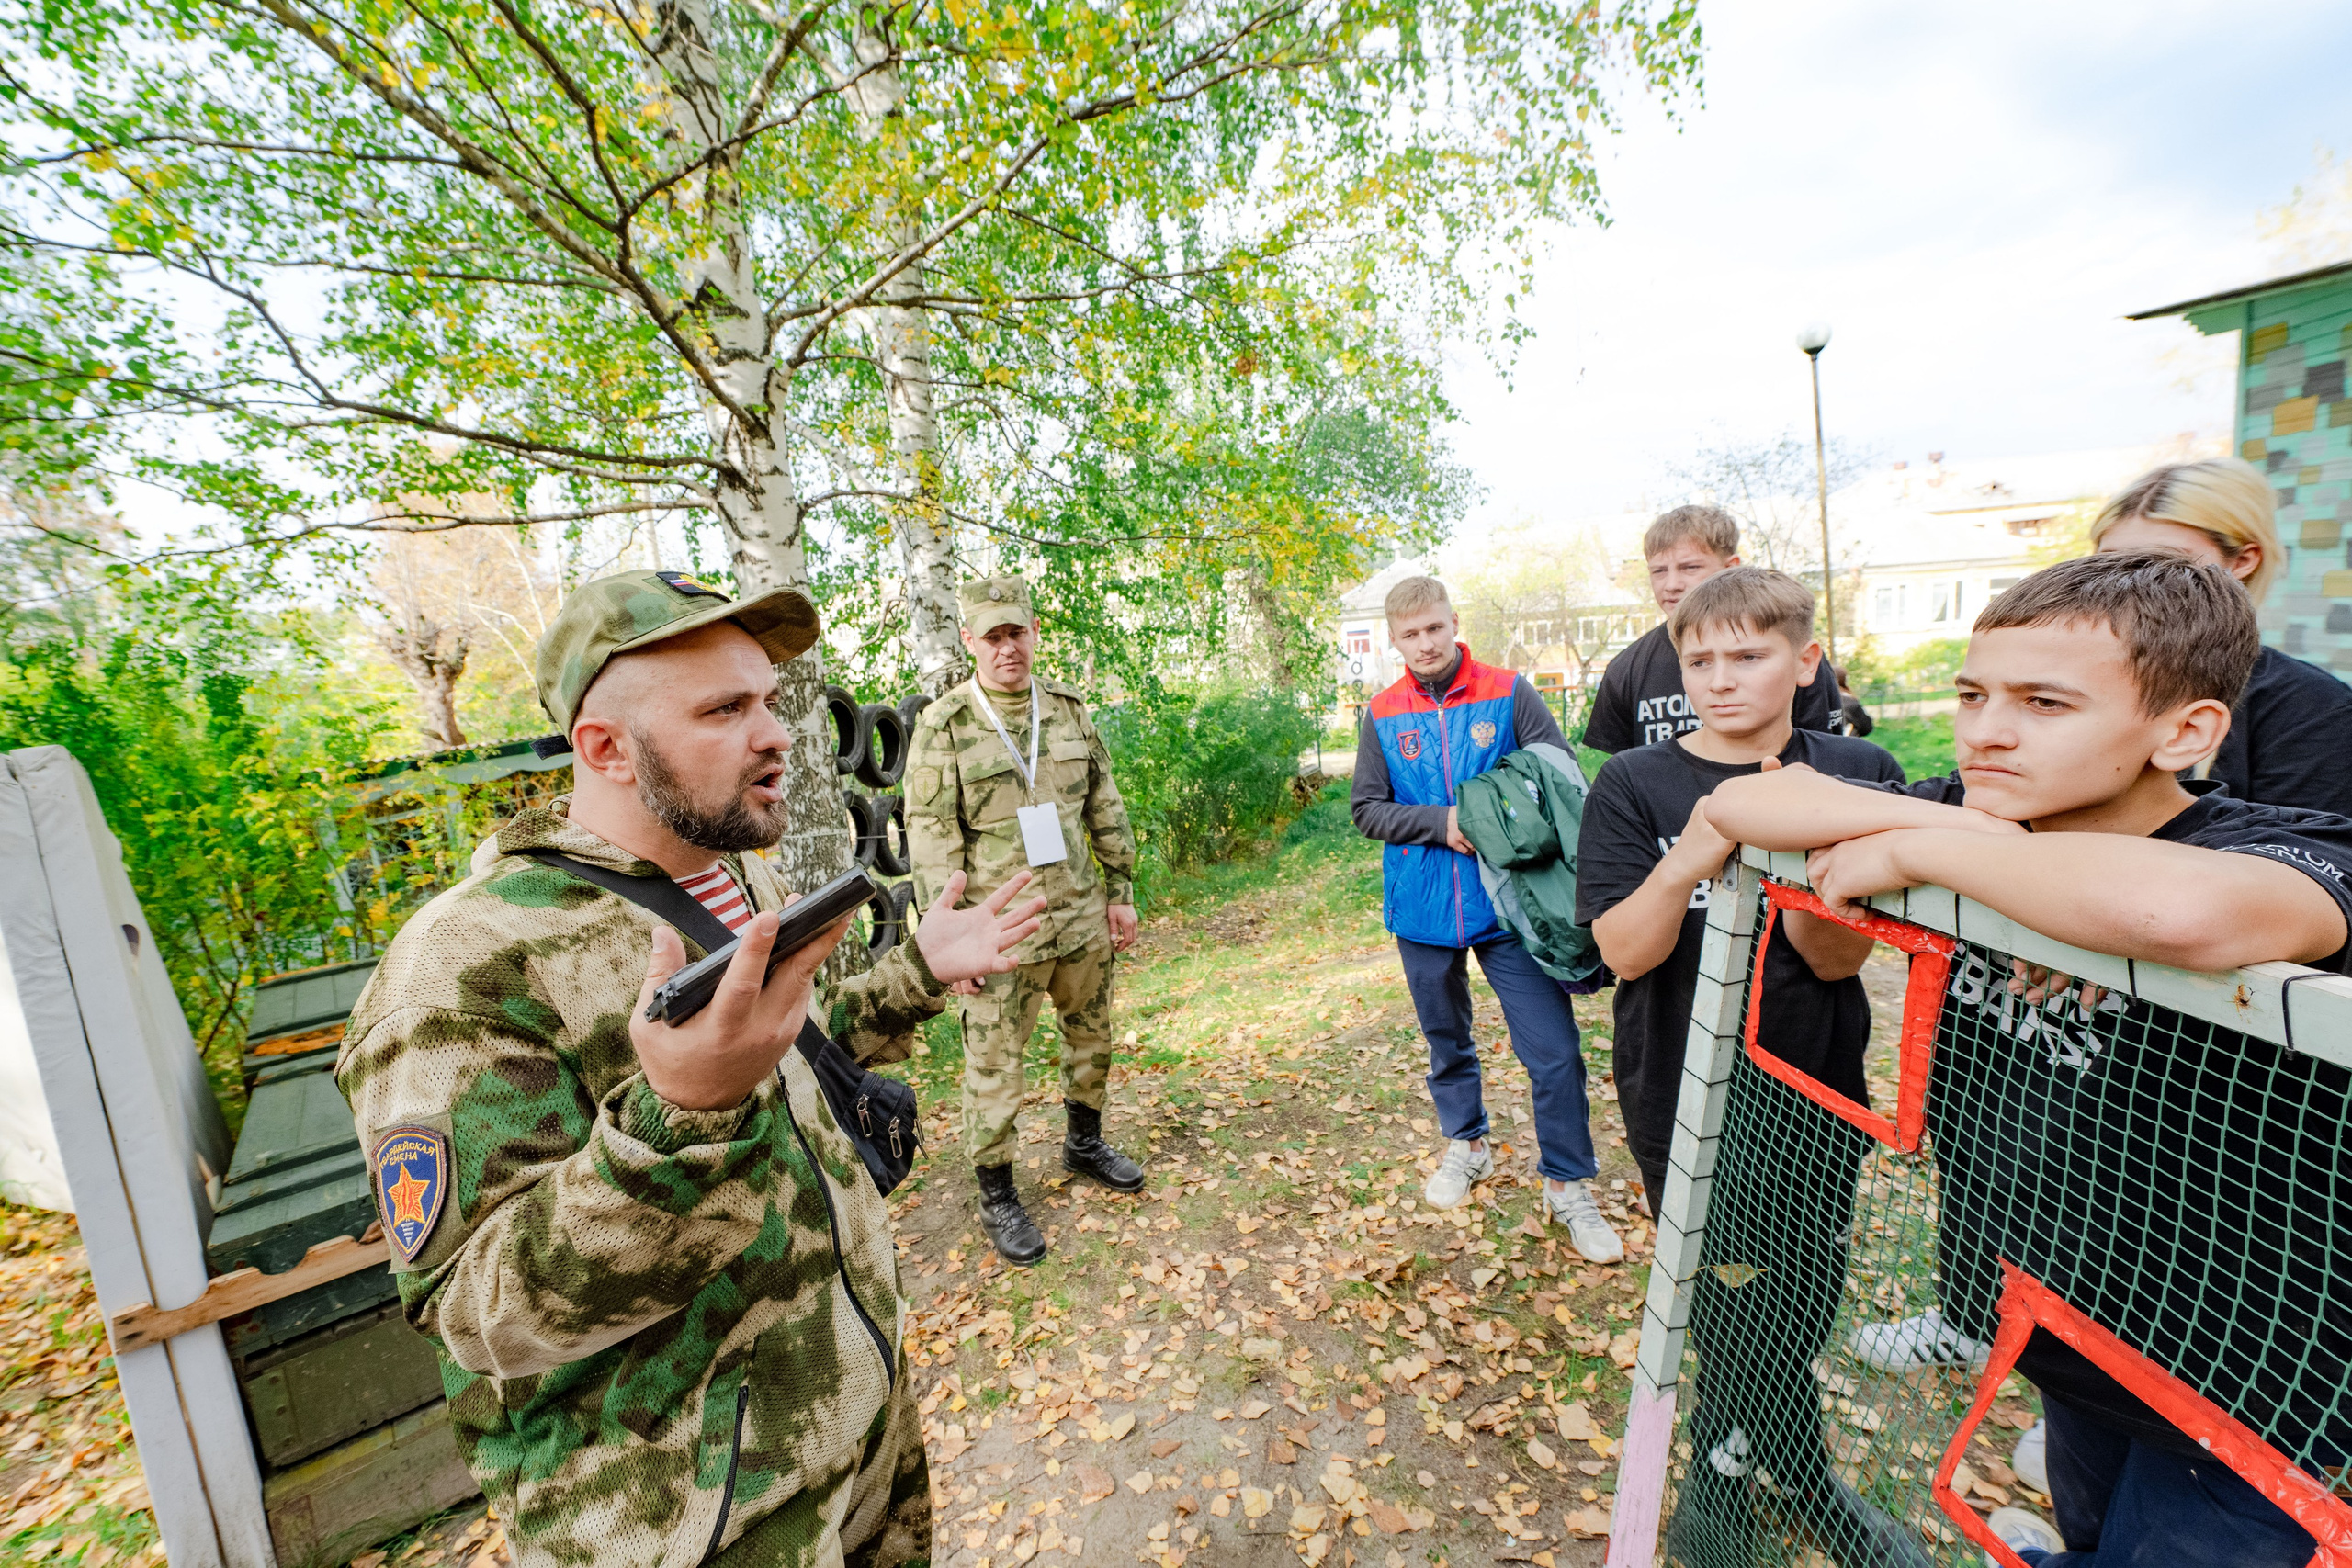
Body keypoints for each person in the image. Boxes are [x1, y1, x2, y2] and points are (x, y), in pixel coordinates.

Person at [337, 569, 1049, 1568]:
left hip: (864, 1439)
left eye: (769, 701)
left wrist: (921, 970)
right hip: (694, 1525)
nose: (775, 734)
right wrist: (682, 1117)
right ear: (605, 749)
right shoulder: (463, 966)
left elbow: (798, 1062)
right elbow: (477, 1312)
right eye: (725, 708)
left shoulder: (742, 873)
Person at [1707, 551, 2352, 1568]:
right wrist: (1976, 834)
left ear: (2183, 732)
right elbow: (1747, 807)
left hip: (2246, 1377)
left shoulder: (2284, 843)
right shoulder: (1991, 815)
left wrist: (1922, 853)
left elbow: (2176, 910)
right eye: (1973, 695)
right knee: (2092, 1527)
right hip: (2064, 1320)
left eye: (2044, 703)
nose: (1985, 732)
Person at [1575, 568, 1920, 1568]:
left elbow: (1838, 957)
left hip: (1814, 1078)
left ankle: (1767, 1465)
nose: (1719, 680)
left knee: (1807, 1287)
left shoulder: (1859, 768)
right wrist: (1701, 849)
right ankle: (1735, 1486)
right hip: (1680, 1084)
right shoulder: (1632, 783)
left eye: (1749, 655)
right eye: (1700, 660)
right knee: (1720, 1291)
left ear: (1804, 660)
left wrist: (1804, 848)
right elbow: (1624, 952)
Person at [1351, 574, 1622, 1263]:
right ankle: (1467, 1143)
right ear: (1394, 640)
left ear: (1454, 622)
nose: (1426, 643)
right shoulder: (1381, 711)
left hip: (1514, 906)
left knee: (1554, 1052)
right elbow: (1367, 810)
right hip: (1422, 908)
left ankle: (1568, 1186)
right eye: (1410, 635)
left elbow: (1560, 771)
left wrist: (1501, 816)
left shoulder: (1508, 691)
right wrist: (1445, 822)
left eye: (1435, 628)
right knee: (1448, 1043)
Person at [903, 574, 1145, 1267]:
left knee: (1091, 1036)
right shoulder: (945, 726)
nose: (1008, 647)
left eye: (1018, 633)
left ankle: (1084, 1141)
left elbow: (1104, 801)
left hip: (1078, 914)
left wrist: (1120, 886)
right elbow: (930, 839)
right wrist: (949, 945)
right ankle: (998, 1192)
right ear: (971, 641)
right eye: (993, 636)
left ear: (1033, 635)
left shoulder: (1066, 709)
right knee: (993, 1066)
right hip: (999, 933)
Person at [2090, 456, 2352, 817]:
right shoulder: (2056, 676)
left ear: (2243, 561)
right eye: (2110, 561)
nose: (2132, 580)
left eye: (2165, 562)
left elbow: (2305, 856)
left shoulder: (2311, 706)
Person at [1580, 504, 1841, 753]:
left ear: (1732, 566)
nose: (1672, 584)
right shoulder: (1625, 668)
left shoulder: (1787, 655)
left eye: (1690, 567)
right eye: (1659, 571)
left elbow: (1824, 755)